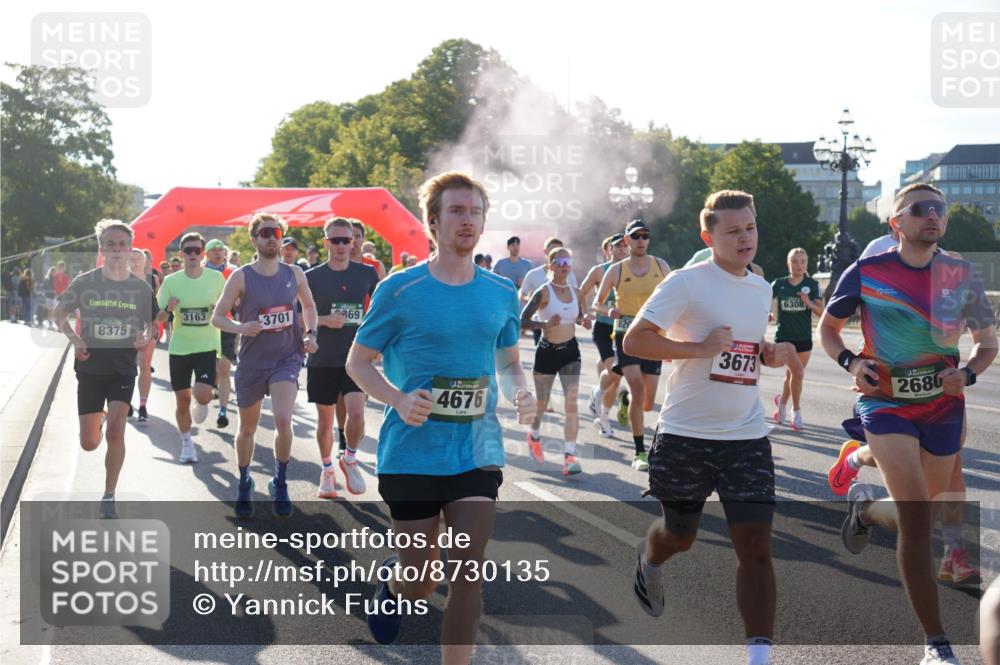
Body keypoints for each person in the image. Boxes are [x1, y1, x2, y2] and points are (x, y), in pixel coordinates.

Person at [346, 171, 535, 661]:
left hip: (475, 451)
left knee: (467, 573)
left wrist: (522, 393)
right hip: (411, 452)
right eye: (456, 211)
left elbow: (510, 360)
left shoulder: (499, 293)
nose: (467, 220)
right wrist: (396, 398)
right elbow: (358, 362)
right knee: (419, 581)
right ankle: (394, 584)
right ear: (433, 222)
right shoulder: (400, 290)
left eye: (475, 212)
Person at [819, 183, 996, 665]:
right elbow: (828, 331)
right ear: (895, 223)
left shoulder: (961, 274)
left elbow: (987, 343)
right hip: (885, 404)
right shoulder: (868, 271)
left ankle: (864, 510)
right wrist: (853, 364)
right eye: (920, 210)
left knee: (922, 513)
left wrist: (967, 374)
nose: (932, 216)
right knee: (918, 519)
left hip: (942, 407)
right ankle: (936, 646)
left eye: (939, 209)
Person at [623, 190, 791, 665]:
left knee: (756, 545)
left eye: (750, 228)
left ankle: (759, 657)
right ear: (709, 236)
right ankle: (649, 560)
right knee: (680, 535)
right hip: (686, 434)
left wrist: (767, 352)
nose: (745, 238)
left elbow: (745, 346)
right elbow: (637, 339)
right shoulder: (686, 282)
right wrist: (699, 349)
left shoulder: (761, 287)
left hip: (746, 436)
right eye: (733, 230)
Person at [212, 213, 319, 518]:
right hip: (252, 362)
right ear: (254, 239)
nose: (271, 237)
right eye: (265, 232)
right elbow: (217, 316)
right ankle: (245, 480)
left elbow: (309, 306)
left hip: (286, 358)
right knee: (248, 427)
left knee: (284, 420)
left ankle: (280, 481)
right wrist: (240, 327)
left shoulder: (295, 273)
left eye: (276, 232)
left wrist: (311, 332)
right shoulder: (241, 276)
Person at [53, 219, 158, 519]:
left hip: (123, 369)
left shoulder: (140, 288)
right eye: (110, 244)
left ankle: (109, 494)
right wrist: (75, 340)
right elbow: (59, 314)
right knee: (89, 443)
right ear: (101, 249)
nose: (116, 249)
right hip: (90, 368)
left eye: (122, 244)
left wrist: (145, 337)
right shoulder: (86, 282)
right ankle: (96, 420)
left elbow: (152, 325)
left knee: (116, 431)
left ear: (129, 250)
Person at [306, 217, 379, 499]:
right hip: (322, 358)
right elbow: (299, 316)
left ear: (354, 242)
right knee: (325, 423)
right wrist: (323, 320)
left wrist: (378, 339)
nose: (340, 246)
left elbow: (382, 310)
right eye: (334, 240)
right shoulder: (311, 277)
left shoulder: (367, 274)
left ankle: (349, 457)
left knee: (357, 414)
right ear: (326, 243)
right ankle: (327, 471)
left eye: (345, 240)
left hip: (355, 358)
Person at [592, 220, 671, 470]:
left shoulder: (661, 266)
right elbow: (597, 303)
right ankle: (640, 453)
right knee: (638, 391)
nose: (640, 240)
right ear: (626, 241)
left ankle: (620, 393)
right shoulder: (616, 270)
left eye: (645, 236)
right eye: (635, 236)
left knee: (648, 403)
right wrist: (610, 310)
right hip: (626, 336)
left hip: (653, 336)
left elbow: (676, 296)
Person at [520, 246, 591, 476]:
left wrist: (585, 320)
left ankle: (569, 456)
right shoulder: (543, 292)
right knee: (542, 404)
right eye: (559, 262)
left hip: (570, 352)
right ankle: (534, 434)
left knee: (571, 403)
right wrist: (545, 325)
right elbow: (522, 321)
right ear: (550, 265)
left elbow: (580, 317)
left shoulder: (576, 292)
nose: (564, 266)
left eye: (567, 262)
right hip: (547, 352)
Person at [156, 233, 226, 462]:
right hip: (180, 348)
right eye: (189, 251)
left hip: (206, 345)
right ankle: (187, 443)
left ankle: (202, 399)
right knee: (182, 400)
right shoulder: (171, 281)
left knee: (203, 394)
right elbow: (157, 316)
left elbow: (228, 309)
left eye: (197, 250)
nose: (193, 254)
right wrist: (168, 308)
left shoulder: (216, 279)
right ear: (181, 254)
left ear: (203, 253)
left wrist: (219, 309)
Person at [581, 233, 629, 437]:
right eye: (616, 246)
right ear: (607, 250)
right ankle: (602, 416)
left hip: (624, 327)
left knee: (615, 378)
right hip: (603, 328)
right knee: (614, 370)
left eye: (623, 246)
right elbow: (581, 292)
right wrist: (584, 314)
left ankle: (603, 410)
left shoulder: (633, 270)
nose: (621, 249)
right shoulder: (599, 271)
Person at [769, 248, 821, 430]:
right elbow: (762, 298)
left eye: (803, 261)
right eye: (795, 261)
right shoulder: (779, 284)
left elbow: (822, 312)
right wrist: (767, 312)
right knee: (798, 374)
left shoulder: (812, 285)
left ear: (807, 264)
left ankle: (781, 404)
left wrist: (809, 303)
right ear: (788, 264)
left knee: (793, 375)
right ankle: (796, 412)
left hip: (803, 338)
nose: (799, 265)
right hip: (784, 337)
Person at [520, 238, 578, 345]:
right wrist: (531, 300)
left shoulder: (570, 276)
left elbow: (576, 301)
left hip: (569, 339)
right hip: (540, 325)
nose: (557, 252)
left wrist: (583, 319)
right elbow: (522, 294)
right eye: (553, 249)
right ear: (546, 252)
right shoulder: (533, 274)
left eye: (560, 249)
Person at [205, 239, 236, 428]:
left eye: (221, 250)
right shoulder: (200, 273)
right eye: (213, 250)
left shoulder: (233, 273)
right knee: (214, 368)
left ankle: (223, 411)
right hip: (205, 327)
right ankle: (211, 388)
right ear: (206, 254)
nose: (218, 253)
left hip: (227, 324)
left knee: (224, 367)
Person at [129, 249, 159, 422]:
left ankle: (142, 405)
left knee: (145, 365)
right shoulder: (121, 280)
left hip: (149, 326)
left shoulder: (152, 280)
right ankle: (125, 401)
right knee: (129, 366)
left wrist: (150, 331)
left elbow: (158, 303)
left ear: (145, 262)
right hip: (128, 330)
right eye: (131, 259)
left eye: (138, 259)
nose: (135, 263)